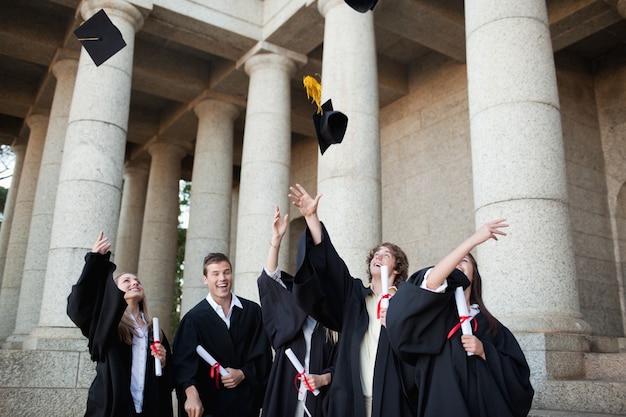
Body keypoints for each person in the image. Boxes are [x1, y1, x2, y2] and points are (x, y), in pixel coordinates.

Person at [288, 183, 416, 417]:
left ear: (397, 269)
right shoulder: (355, 296)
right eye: (376, 254)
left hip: (392, 400)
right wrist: (312, 217)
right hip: (351, 399)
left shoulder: (406, 302)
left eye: (386, 255)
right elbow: (332, 264)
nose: (378, 256)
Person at [385, 219, 535, 417]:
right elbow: (430, 283)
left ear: (474, 275)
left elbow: (519, 378)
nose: (458, 263)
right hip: (442, 404)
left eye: (464, 260)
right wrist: (473, 240)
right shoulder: (434, 318)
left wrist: (485, 351)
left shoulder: (490, 326)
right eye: (453, 262)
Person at [67, 231, 173, 417]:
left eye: (138, 281)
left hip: (148, 409)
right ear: (115, 291)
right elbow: (78, 307)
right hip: (113, 408)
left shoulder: (154, 332)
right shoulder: (107, 325)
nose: (134, 283)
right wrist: (94, 261)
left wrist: (164, 363)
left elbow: (170, 379)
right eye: (127, 281)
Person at [257, 205, 338, 417]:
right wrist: (276, 240)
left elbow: (345, 360)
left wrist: (324, 378)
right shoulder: (292, 297)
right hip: (286, 386)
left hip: (321, 397)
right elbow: (269, 280)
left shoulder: (336, 311)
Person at [172, 251, 272, 417]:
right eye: (215, 274)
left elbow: (263, 355)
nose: (222, 278)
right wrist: (191, 394)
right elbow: (183, 365)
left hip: (245, 403)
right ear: (205, 279)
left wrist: (242, 373)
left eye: (226, 272)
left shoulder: (252, 312)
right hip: (211, 404)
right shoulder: (193, 319)